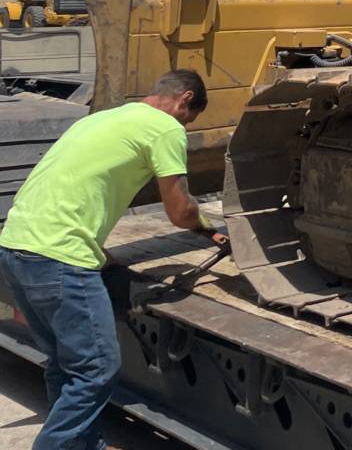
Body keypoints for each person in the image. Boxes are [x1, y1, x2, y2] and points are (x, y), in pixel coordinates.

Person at [0, 69, 223, 450]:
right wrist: (208, 229)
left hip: (16, 246)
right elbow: (180, 213)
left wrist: (100, 252)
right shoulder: (165, 127)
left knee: (65, 365)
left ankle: (82, 445)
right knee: (97, 369)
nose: (187, 124)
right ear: (185, 99)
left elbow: (69, 188)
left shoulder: (106, 117)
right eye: (191, 116)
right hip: (60, 260)